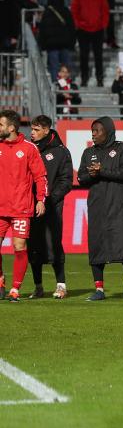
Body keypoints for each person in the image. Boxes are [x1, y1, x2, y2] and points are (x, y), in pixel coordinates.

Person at [77, 116, 123, 301]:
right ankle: (99, 290)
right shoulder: (88, 152)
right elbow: (80, 178)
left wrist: (102, 171)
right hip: (97, 207)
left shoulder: (122, 148)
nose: (93, 134)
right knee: (96, 246)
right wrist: (92, 174)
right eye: (92, 131)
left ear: (108, 131)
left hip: (119, 206)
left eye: (97, 131)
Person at [0, 110, 47, 302]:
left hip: (21, 207)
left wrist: (40, 199)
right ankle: (1, 281)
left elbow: (40, 176)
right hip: (0, 207)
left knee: (19, 246)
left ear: (11, 128)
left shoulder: (28, 148)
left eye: (1, 125)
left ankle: (15, 289)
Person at [27, 115, 72, 300]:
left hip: (52, 206)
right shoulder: (29, 149)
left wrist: (50, 199)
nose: (32, 133)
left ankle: (61, 285)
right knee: (33, 246)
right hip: (30, 206)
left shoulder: (61, 152)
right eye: (31, 129)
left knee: (53, 244)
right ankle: (38, 286)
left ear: (46, 130)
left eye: (36, 130)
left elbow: (66, 180)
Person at [71, 0, 110, 88]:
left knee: (99, 55)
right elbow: (74, 12)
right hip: (83, 30)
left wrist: (103, 25)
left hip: (97, 29)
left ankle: (99, 78)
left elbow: (105, 11)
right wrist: (78, 25)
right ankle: (84, 78)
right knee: (84, 55)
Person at [38, 0, 76, 82]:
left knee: (54, 66)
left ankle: (56, 85)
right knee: (65, 66)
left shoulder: (47, 12)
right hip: (65, 44)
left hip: (52, 45)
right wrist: (72, 42)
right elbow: (72, 28)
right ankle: (65, 85)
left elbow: (43, 30)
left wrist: (42, 45)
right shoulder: (66, 11)